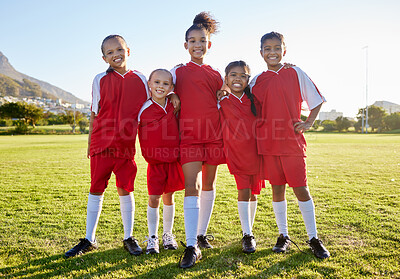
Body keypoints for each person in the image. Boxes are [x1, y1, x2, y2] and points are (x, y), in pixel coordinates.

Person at [64, 35, 149, 258]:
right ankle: (89, 239)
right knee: (96, 189)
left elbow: (151, 108)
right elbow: (94, 113)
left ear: (128, 50)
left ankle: (129, 237)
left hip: (126, 147)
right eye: (110, 52)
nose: (115, 55)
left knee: (126, 189)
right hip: (102, 144)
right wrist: (90, 143)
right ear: (104, 58)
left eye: (119, 50)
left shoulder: (141, 79)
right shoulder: (99, 79)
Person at [250, 31, 330, 259]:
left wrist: (308, 122)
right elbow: (239, 93)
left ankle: (313, 238)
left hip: (292, 143)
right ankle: (283, 235)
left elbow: (316, 99)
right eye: (268, 48)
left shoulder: (295, 72)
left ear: (284, 51)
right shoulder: (257, 80)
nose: (272, 52)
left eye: (277, 48)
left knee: (301, 189)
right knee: (277, 189)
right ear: (261, 53)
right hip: (268, 143)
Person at [170, 11, 225, 268]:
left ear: (209, 44)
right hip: (189, 137)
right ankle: (191, 244)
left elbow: (231, 94)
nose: (197, 45)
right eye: (192, 41)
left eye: (202, 40)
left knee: (209, 185)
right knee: (192, 186)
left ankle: (201, 235)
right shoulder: (177, 71)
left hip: (213, 136)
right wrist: (172, 96)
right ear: (185, 45)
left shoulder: (216, 74)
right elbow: (159, 88)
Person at [218, 61, 265, 254]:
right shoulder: (221, 100)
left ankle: (249, 231)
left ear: (248, 79)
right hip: (236, 153)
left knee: (253, 193)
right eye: (233, 75)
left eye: (243, 76)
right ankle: (247, 234)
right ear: (226, 78)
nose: (238, 79)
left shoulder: (254, 99)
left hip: (256, 152)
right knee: (243, 190)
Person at [138, 69, 184, 254]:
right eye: (157, 82)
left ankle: (167, 235)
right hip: (155, 162)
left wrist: (175, 95)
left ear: (171, 87)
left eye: (166, 84)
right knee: (154, 198)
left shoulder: (174, 104)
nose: (160, 86)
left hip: (172, 159)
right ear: (149, 84)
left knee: (169, 197)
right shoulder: (143, 109)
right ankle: (152, 237)